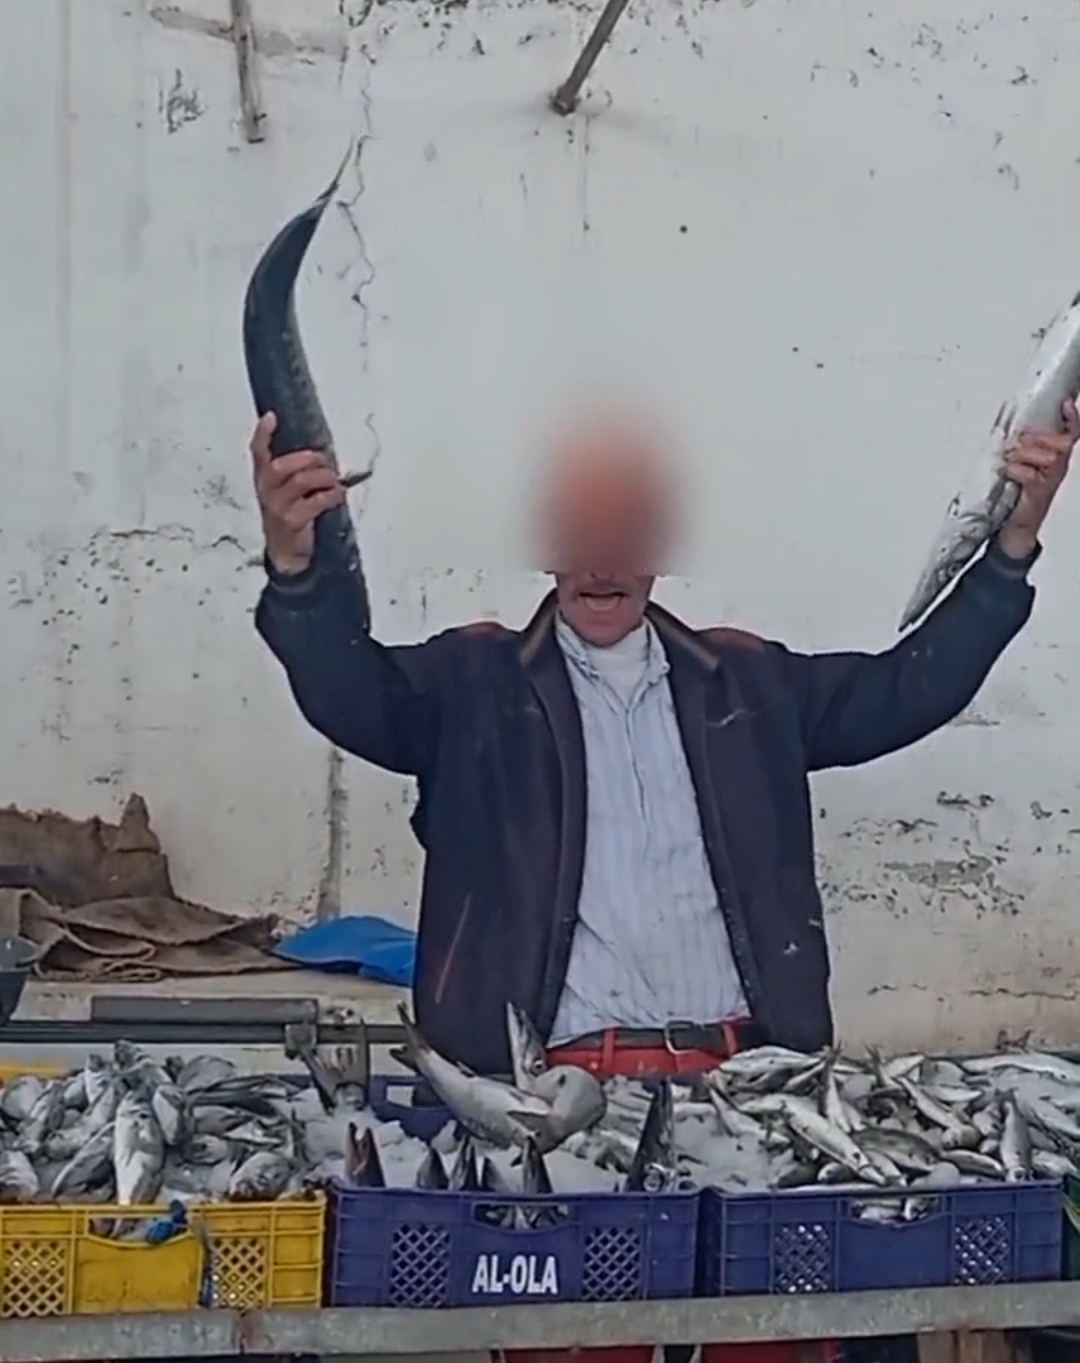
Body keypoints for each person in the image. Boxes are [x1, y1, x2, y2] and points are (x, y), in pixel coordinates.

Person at [250, 402, 1076, 1363]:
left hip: (739, 1104)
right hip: (559, 1112)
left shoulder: (749, 683)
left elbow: (909, 687)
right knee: (581, 1347)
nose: (602, 563)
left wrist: (1011, 543)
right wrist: (297, 566)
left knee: (757, 1346)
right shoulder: (471, 685)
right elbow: (349, 691)